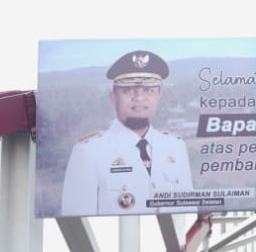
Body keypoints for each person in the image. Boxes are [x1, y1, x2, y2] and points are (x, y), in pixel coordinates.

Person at [60, 49, 194, 216]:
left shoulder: (176, 147)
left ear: (158, 95)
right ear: (113, 96)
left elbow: (188, 212)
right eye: (129, 90)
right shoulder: (89, 153)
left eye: (148, 90)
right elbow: (76, 220)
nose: (139, 97)